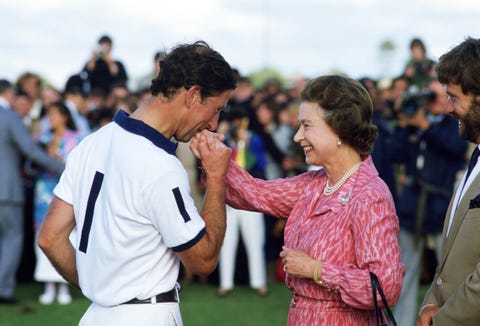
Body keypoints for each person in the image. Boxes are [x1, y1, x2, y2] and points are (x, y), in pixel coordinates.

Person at [38, 40, 236, 325]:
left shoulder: (91, 143)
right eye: (217, 108)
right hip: (147, 314)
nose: (213, 123)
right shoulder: (161, 166)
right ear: (193, 96)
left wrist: (104, 291)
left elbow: (50, 237)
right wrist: (217, 178)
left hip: (96, 315)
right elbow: (203, 261)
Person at [191, 75, 404, 325]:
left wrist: (316, 269)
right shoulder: (313, 184)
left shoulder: (370, 196)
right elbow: (254, 193)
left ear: (340, 127)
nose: (297, 136)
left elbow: (385, 287)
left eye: (307, 126)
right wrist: (212, 154)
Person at [391, 79, 467, 326]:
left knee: (448, 273)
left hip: (441, 208)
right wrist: (405, 124)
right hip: (412, 207)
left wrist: (426, 126)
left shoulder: (453, 123)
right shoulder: (412, 125)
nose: (434, 100)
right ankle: (401, 322)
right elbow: (395, 153)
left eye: (440, 94)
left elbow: (455, 149)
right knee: (407, 272)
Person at [417, 37, 480, 326]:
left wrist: (444, 318)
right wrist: (431, 302)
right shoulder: (476, 157)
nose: (447, 109)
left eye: (454, 97)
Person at [0, 79, 65, 304]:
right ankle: (3, 290)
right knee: (11, 238)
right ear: (8, 94)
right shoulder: (10, 117)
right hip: (6, 190)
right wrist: (63, 168)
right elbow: (30, 151)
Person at [33, 102, 83, 305]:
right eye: (48, 114)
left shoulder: (76, 139)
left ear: (64, 116)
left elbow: (77, 167)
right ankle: (49, 287)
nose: (50, 118)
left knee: (67, 235)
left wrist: (54, 157)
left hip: (66, 195)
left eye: (54, 114)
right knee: (43, 235)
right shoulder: (41, 139)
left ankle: (65, 286)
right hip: (43, 195)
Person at [216, 107, 268, 297]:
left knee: (255, 241)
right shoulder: (224, 139)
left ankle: (259, 282)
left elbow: (261, 165)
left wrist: (248, 146)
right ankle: (225, 283)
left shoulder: (254, 140)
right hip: (229, 199)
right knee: (226, 242)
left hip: (250, 199)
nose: (237, 125)